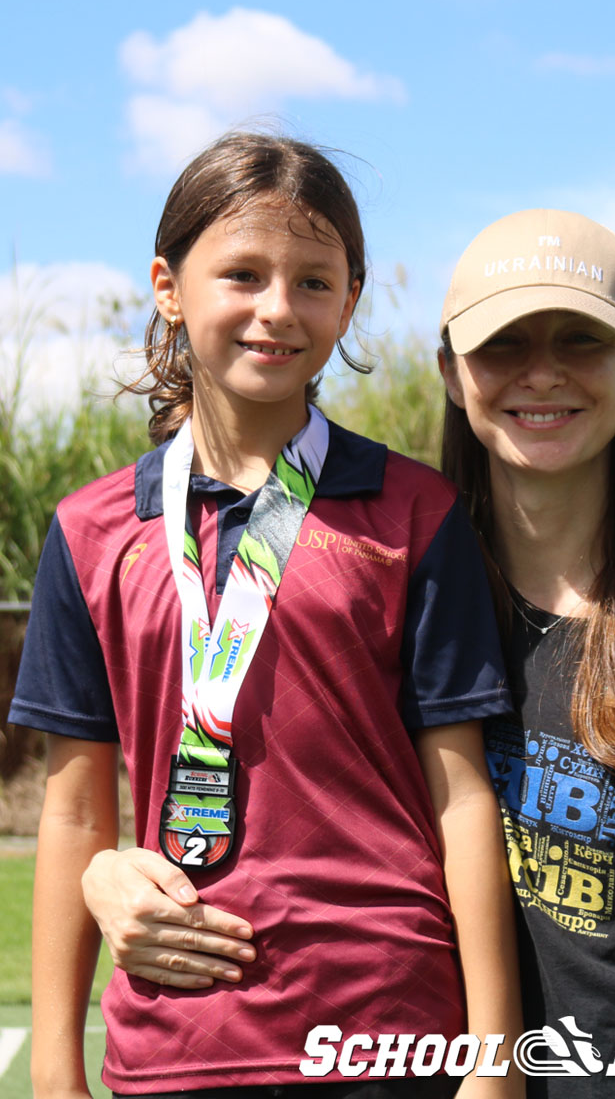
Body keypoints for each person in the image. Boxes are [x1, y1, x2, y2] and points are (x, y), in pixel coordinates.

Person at [79, 209, 615, 1098]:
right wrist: (109, 872)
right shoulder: (390, 588)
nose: (542, 373)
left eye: (582, 341)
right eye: (504, 345)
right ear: (451, 373)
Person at [9, 134, 524, 1099]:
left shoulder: (417, 515)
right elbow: (76, 810)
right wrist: (53, 1071)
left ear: (351, 298)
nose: (277, 309)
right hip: (177, 1040)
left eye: (314, 281)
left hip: (389, 1034)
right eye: (242, 274)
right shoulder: (88, 531)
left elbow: (461, 796)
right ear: (168, 286)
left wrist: (493, 1064)